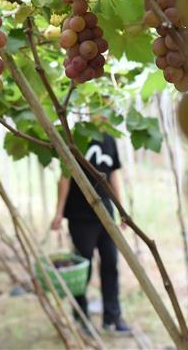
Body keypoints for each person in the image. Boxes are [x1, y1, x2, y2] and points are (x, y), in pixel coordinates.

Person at [51, 132, 130, 333]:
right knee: (81, 269)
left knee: (111, 264)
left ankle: (112, 318)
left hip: (105, 215)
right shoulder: (75, 135)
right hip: (80, 216)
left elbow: (113, 175)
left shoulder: (110, 140)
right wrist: (59, 212)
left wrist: (121, 209)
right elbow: (65, 177)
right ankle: (81, 317)